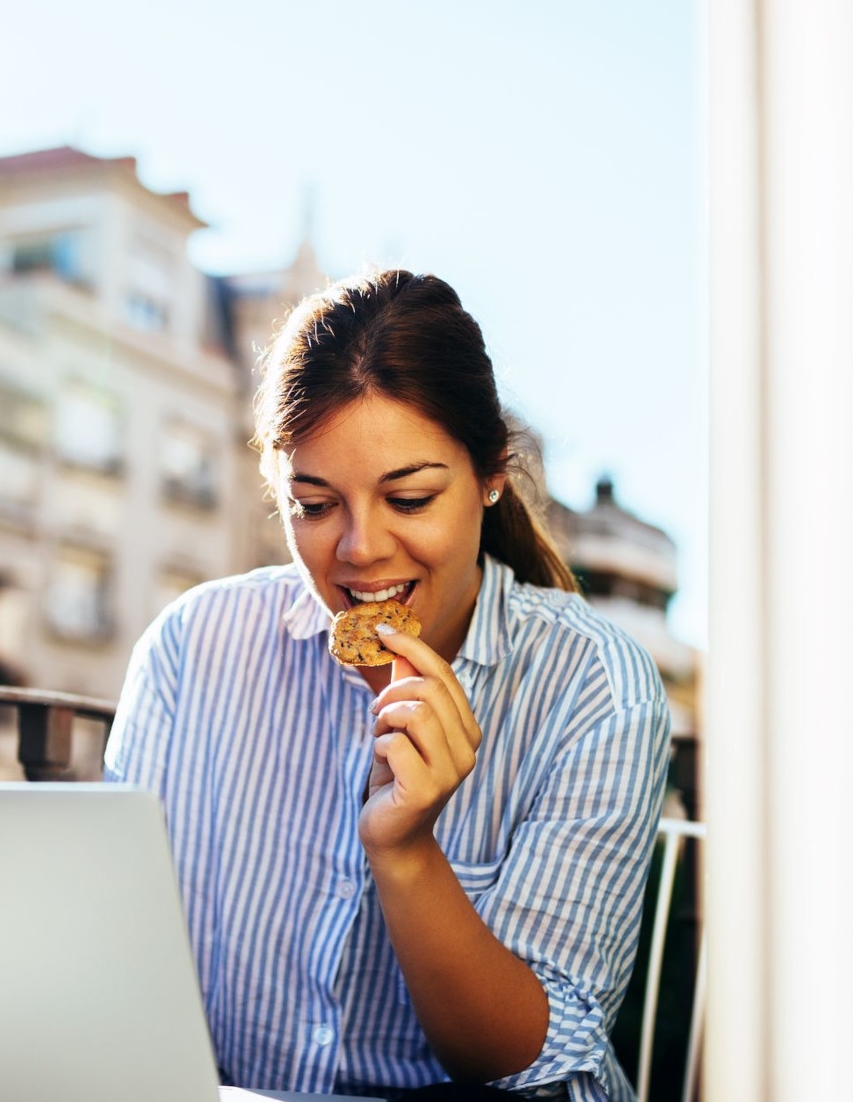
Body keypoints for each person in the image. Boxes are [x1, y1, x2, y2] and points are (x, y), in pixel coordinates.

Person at [105, 269, 670, 1101]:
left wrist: (406, 851)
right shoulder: (194, 647)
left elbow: (522, 1058)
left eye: (408, 498)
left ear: (489, 477)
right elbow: (119, 951)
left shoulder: (594, 689)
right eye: (316, 503)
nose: (361, 548)